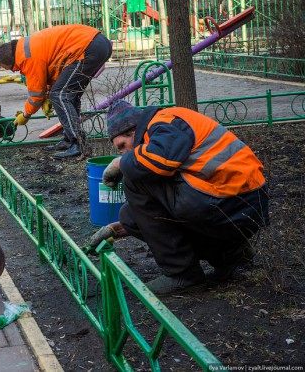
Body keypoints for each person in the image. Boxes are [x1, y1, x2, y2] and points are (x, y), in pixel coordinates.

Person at [86, 100, 269, 296]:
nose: (123, 152)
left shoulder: (164, 123)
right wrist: (122, 226)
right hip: (230, 201)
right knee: (130, 216)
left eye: (122, 145)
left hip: (233, 198)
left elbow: (159, 162)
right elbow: (156, 209)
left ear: (133, 131)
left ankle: (183, 275)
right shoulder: (161, 128)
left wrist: (121, 163)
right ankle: (231, 255)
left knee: (135, 177)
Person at [0, 24, 112, 159]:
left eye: (8, 68)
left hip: (87, 47)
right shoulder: (26, 48)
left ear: (10, 60)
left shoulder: (26, 57)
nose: (13, 71)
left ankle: (78, 144)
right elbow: (54, 74)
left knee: (60, 95)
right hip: (96, 43)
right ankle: (69, 140)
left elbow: (36, 93)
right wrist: (49, 95)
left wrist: (26, 115)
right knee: (68, 95)